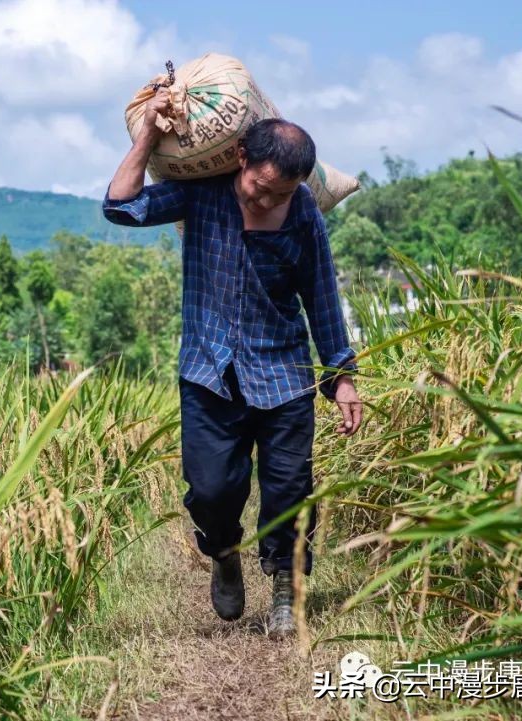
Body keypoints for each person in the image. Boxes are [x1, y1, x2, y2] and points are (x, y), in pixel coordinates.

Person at [102, 88, 363, 639]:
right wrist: (149, 133)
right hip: (208, 373)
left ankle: (286, 591)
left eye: (280, 194)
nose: (266, 200)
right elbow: (121, 207)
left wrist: (341, 377)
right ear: (241, 157)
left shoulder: (304, 215)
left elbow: (321, 295)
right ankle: (223, 552)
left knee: (290, 489)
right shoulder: (202, 195)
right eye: (259, 188)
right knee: (213, 490)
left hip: (285, 374)